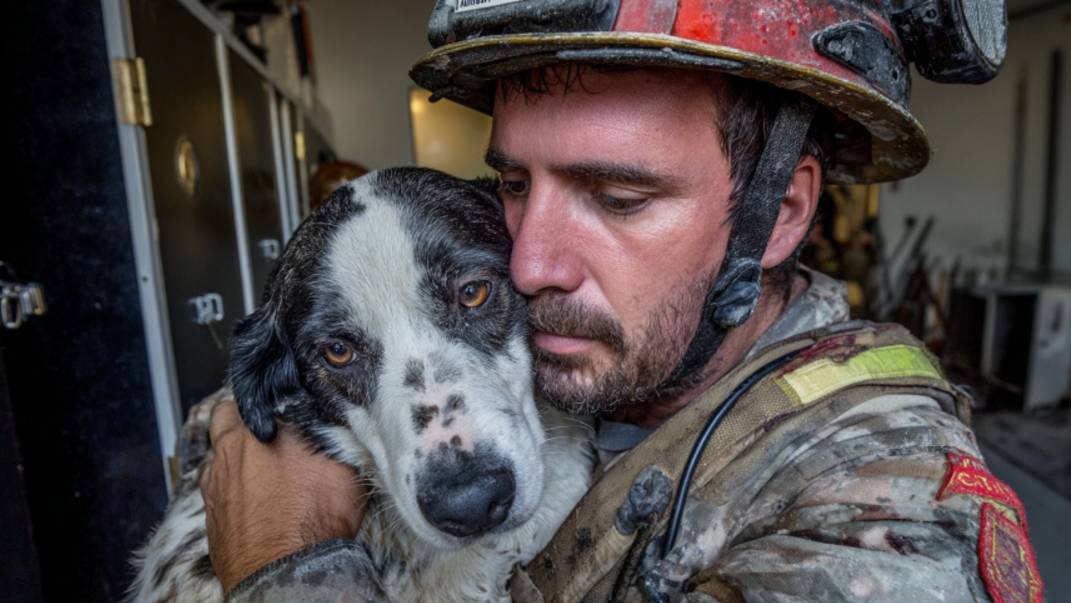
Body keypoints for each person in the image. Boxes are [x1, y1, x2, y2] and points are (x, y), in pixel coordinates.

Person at [200, 1, 1043, 601]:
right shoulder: (565, 351)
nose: (526, 263)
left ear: (779, 215)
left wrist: (287, 563)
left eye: (616, 197)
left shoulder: (884, 509)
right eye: (513, 183)